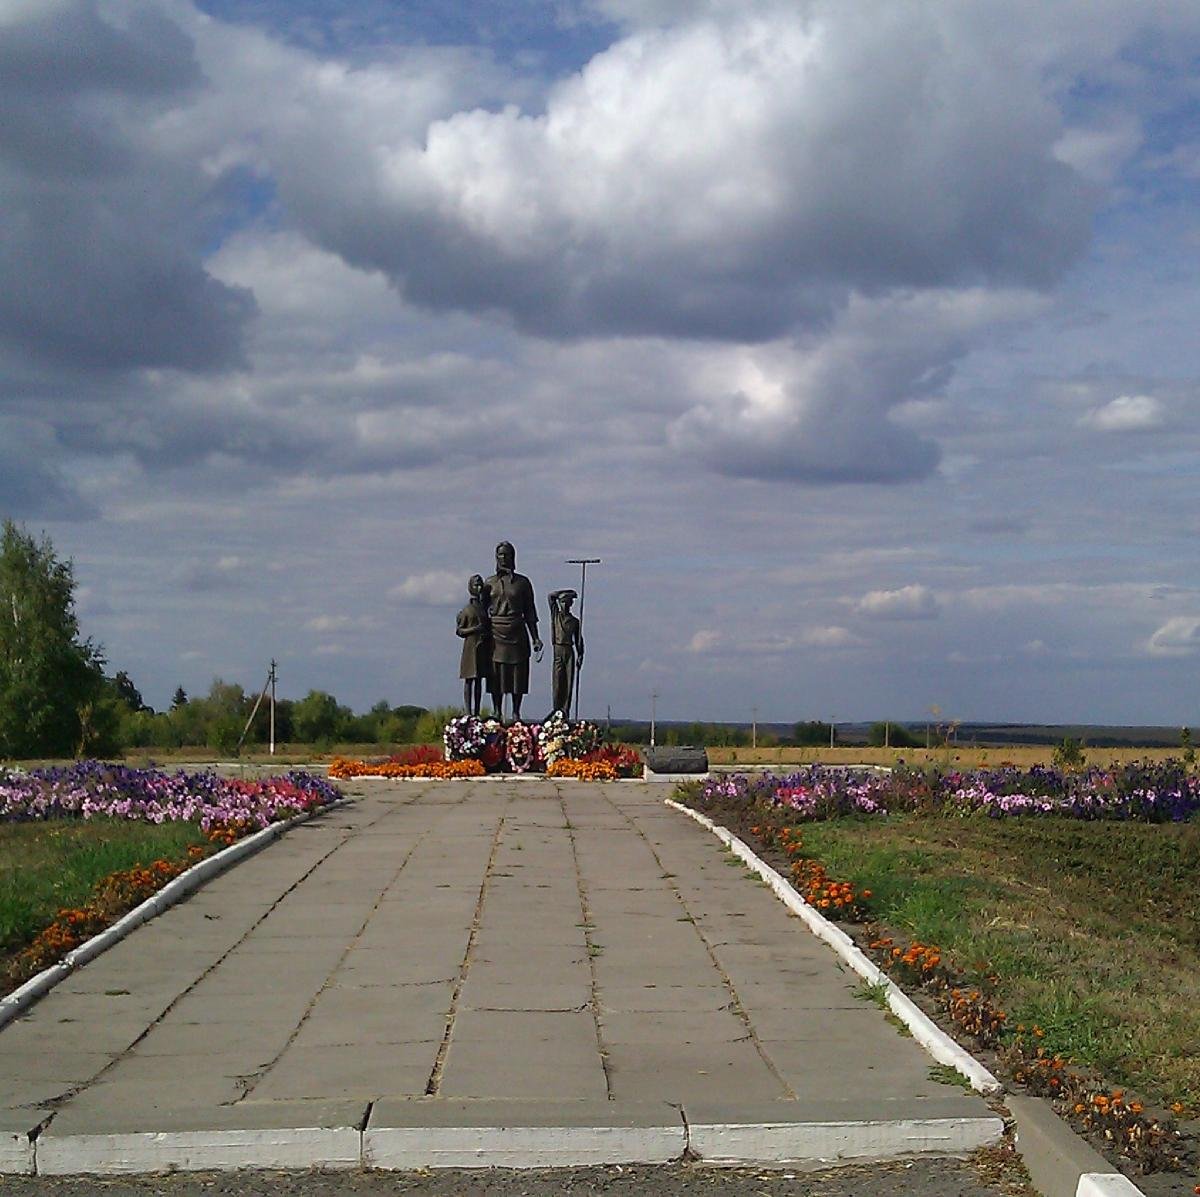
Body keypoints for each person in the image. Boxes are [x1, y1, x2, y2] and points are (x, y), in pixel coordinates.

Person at [484, 541, 542, 723]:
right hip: (496, 632)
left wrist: (536, 638)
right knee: (496, 673)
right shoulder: (489, 583)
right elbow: (481, 609)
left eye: (507, 554)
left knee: (518, 673)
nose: (503, 558)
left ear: (513, 557)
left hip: (517, 631)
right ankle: (497, 711)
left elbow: (530, 611)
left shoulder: (523, 583)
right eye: (500, 554)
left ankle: (516, 712)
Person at [455, 574, 492, 716]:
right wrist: (474, 629)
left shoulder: (484, 609)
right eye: (476, 585)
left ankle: (476, 712)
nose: (479, 587)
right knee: (469, 680)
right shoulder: (467, 610)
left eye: (480, 585)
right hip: (470, 648)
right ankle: (468, 712)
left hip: (482, 648)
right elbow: (459, 630)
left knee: (479, 681)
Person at [548, 589, 584, 717]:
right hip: (558, 649)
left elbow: (579, 639)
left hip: (569, 650)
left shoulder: (574, 621)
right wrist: (569, 592)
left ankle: (565, 711)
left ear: (570, 604)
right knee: (558, 683)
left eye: (566, 602)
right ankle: (556, 710)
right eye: (562, 602)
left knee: (568, 683)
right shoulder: (555, 616)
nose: (563, 605)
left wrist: (581, 654)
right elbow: (550, 596)